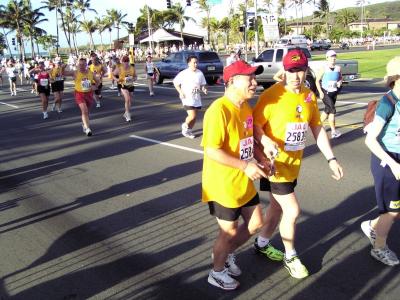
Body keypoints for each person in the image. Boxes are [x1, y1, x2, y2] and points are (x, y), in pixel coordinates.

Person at [253, 48, 344, 279]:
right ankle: (290, 255)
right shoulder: (271, 96)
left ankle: (262, 243)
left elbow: (316, 127)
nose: (296, 76)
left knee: (276, 207)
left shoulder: (308, 95)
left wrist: (331, 159)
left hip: (293, 165)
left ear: (307, 71)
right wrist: (265, 140)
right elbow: (254, 125)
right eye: (291, 71)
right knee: (292, 210)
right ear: (284, 71)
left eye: (300, 70)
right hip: (274, 165)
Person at [202, 60, 268, 290]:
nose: (254, 82)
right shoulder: (219, 110)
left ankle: (226, 254)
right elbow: (211, 149)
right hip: (222, 184)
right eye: (249, 78)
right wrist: (245, 165)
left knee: (256, 223)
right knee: (228, 231)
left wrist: (261, 158)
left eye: (254, 77)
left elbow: (247, 141)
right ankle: (216, 272)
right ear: (232, 81)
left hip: (243, 179)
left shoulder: (245, 107)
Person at [362, 56, 400, 266]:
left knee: (396, 210)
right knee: (391, 211)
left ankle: (372, 226)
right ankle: (379, 248)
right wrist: (394, 164)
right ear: (396, 78)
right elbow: (370, 140)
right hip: (387, 161)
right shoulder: (388, 103)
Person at [173, 55, 207, 139]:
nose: (196, 64)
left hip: (196, 97)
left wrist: (204, 89)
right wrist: (180, 92)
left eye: (196, 62)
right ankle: (185, 126)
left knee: (194, 117)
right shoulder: (184, 73)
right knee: (191, 115)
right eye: (194, 62)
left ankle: (188, 130)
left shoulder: (200, 73)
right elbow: (175, 83)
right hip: (187, 97)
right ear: (189, 63)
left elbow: (203, 84)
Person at [64, 57, 99, 136]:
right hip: (79, 94)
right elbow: (64, 73)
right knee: (84, 110)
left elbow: (97, 81)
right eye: (80, 64)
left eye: (83, 64)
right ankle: (87, 128)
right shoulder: (75, 72)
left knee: (87, 112)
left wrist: (95, 86)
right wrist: (63, 67)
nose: (81, 66)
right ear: (78, 65)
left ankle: (84, 124)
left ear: (86, 65)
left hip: (89, 94)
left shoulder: (90, 73)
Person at [316, 50, 343, 138]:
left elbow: (340, 78)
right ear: (327, 58)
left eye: (334, 56)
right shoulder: (324, 68)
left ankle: (317, 125)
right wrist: (320, 92)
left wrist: (339, 82)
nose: (333, 58)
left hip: (334, 92)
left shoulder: (338, 68)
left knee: (327, 110)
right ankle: (334, 131)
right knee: (332, 110)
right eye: (331, 56)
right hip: (325, 92)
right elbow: (317, 81)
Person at [113, 55, 136, 122]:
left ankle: (126, 112)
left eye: (127, 61)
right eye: (124, 61)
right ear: (122, 62)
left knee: (129, 101)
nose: (126, 63)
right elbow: (113, 74)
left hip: (130, 85)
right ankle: (128, 115)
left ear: (128, 61)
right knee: (127, 98)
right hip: (123, 85)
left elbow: (135, 76)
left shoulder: (132, 68)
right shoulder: (119, 68)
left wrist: (134, 79)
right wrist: (117, 80)